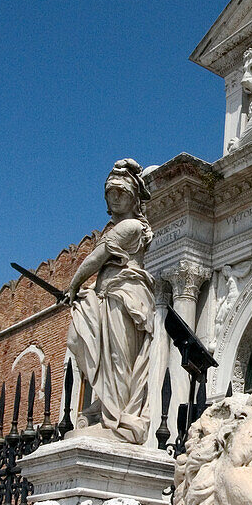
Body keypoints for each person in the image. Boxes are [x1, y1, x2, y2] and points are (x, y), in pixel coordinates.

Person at [66, 159, 155, 444]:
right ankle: (106, 407)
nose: (115, 198)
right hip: (109, 294)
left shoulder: (130, 226)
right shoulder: (121, 227)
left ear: (134, 198)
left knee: (118, 358)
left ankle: (115, 419)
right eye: (110, 192)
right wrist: (90, 289)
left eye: (122, 192)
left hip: (123, 297)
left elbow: (97, 258)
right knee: (81, 342)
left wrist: (74, 284)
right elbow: (106, 266)